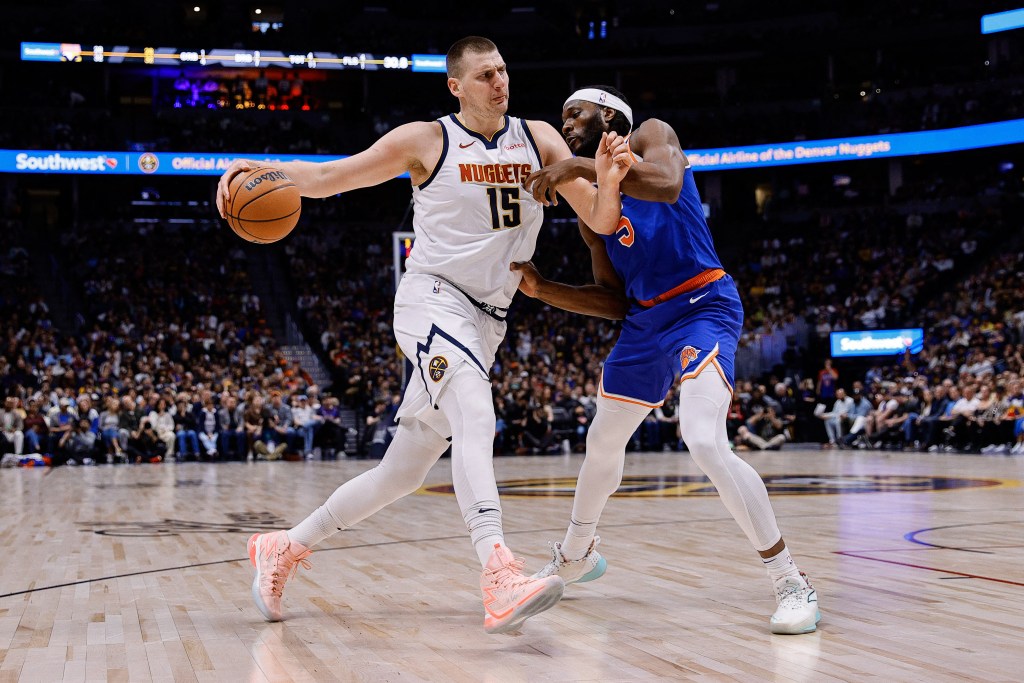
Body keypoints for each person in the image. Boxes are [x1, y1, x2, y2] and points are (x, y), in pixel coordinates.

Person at [215, 36, 632, 633]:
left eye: (503, 70)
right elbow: (333, 176)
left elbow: (599, 218)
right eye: (486, 74)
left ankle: (285, 545)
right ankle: (497, 571)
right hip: (431, 299)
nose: (499, 82)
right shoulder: (425, 140)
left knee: (402, 473)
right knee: (474, 413)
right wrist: (266, 171)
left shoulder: (539, 137)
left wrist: (609, 175)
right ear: (456, 86)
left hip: (488, 319)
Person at [513, 85, 820, 634]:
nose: (565, 123)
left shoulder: (651, 136)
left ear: (607, 115)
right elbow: (614, 300)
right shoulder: (596, 216)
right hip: (646, 322)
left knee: (703, 438)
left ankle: (790, 579)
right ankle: (576, 553)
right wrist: (543, 290)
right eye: (561, 118)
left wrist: (574, 169)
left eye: (573, 113)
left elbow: (669, 182)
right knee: (600, 442)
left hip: (702, 303)